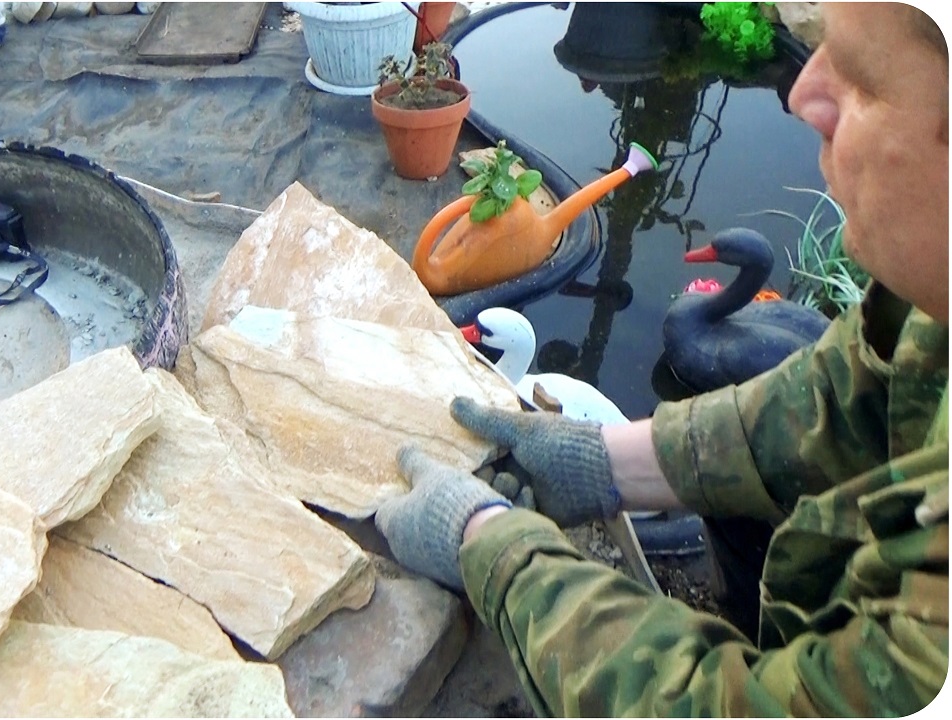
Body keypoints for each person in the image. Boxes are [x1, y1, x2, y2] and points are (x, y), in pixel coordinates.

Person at [374, 3, 949, 716]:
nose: (801, 94)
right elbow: (860, 390)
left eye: (861, 81)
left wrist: (490, 545)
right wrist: (608, 462)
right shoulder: (930, 307)